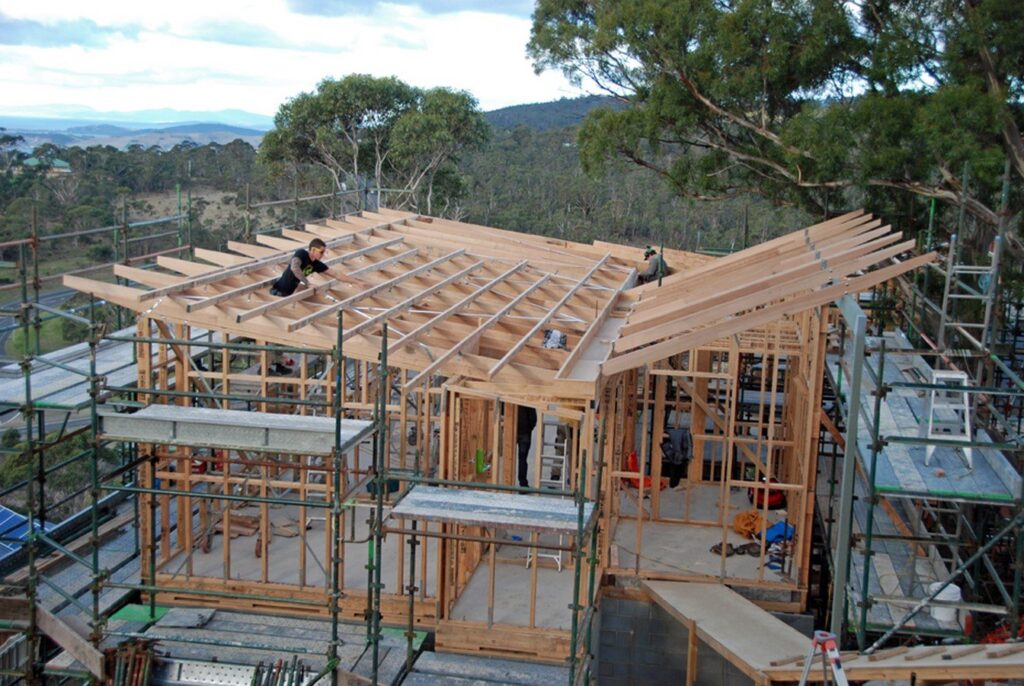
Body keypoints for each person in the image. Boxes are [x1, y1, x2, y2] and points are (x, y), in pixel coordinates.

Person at [270, 238, 362, 297]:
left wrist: (356, 282)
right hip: (277, 292)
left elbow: (336, 274)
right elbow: (294, 267)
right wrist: (308, 283)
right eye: (321, 252)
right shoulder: (301, 253)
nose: (323, 255)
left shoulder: (316, 264)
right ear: (313, 250)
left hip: (288, 294)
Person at [516, 405, 537, 489]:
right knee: (522, 459)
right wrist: (528, 429)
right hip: (525, 434)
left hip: (511, 429)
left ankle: (506, 484)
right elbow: (533, 419)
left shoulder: (510, 395)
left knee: (508, 456)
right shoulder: (528, 399)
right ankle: (523, 484)